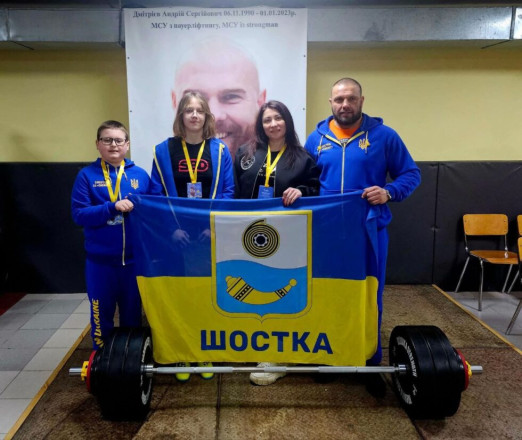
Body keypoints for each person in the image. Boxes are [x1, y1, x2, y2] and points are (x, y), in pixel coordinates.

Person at [304, 78, 420, 395]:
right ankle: (329, 358)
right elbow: (306, 180)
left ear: (362, 101)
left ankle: (370, 360)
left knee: (369, 296)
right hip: (327, 234)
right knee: (328, 295)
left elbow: (411, 173)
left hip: (369, 231)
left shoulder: (384, 136)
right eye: (339, 99)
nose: (345, 104)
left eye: (351, 98)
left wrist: (389, 191)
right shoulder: (316, 139)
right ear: (330, 102)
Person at [150, 91, 235, 381]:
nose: (195, 115)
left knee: (206, 295)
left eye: (200, 110)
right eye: (189, 110)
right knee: (179, 296)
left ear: (207, 116)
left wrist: (215, 227)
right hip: (177, 237)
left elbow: (228, 192)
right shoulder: (164, 150)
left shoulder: (220, 150)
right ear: (181, 116)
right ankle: (182, 353)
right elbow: (156, 195)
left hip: (208, 237)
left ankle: (204, 351)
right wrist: (171, 230)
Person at [234, 100, 319, 385]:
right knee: (251, 288)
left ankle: (277, 356)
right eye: (267, 119)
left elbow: (316, 188)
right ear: (261, 125)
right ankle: (254, 345)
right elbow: (234, 191)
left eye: (278, 118)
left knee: (277, 291)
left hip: (286, 238)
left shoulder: (303, 157)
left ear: (287, 122)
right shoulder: (246, 154)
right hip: (248, 236)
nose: (273, 124)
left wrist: (301, 190)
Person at [71, 120, 150, 350]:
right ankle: (100, 357)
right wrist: (112, 207)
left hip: (133, 263)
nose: (113, 145)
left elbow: (154, 211)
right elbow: (79, 215)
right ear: (98, 144)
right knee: (100, 316)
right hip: (100, 264)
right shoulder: (86, 176)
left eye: (118, 140)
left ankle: (128, 358)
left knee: (132, 316)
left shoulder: (141, 175)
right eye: (107, 140)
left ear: (127, 144)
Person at [171, 38, 266, 161]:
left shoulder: (282, 165)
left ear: (260, 102)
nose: (214, 116)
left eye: (231, 97)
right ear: (175, 102)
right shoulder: (161, 163)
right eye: (195, 98)